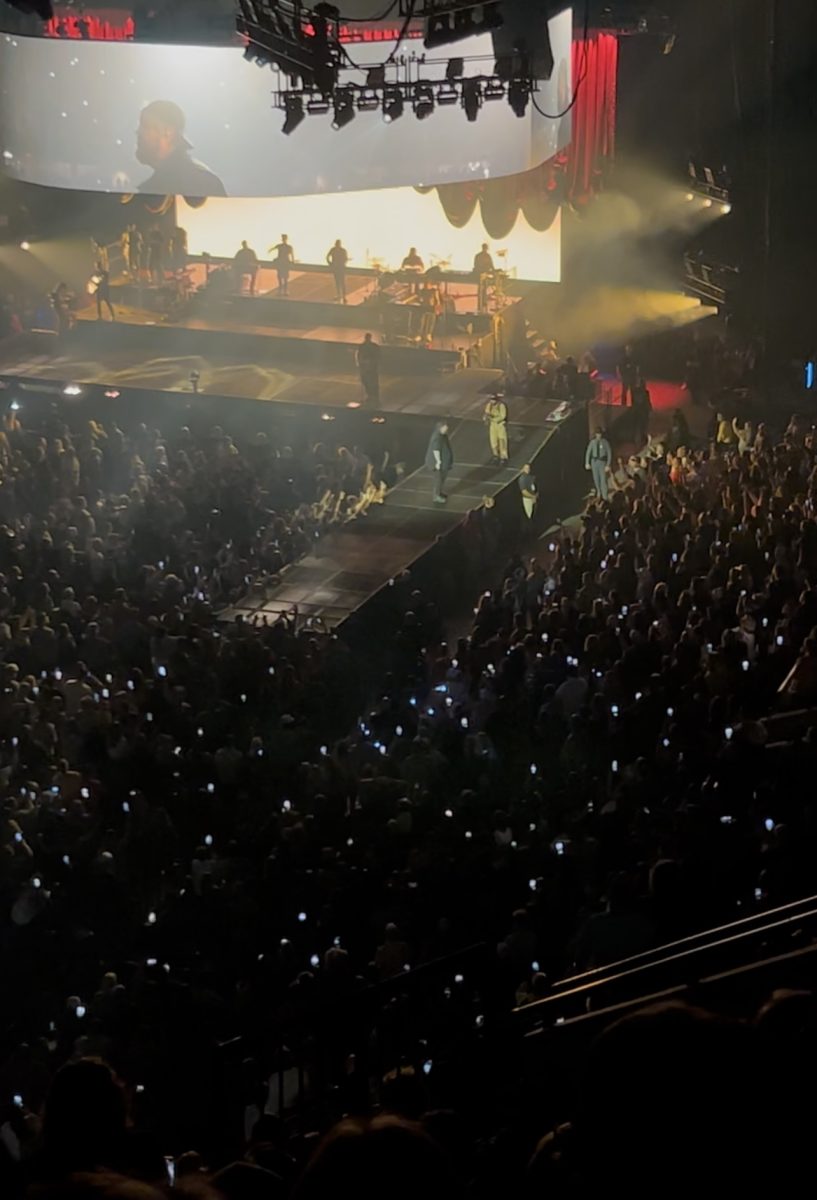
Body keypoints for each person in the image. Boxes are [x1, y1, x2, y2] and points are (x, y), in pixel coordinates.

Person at [136, 99, 227, 197]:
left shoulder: (200, 182)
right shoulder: (203, 180)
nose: (138, 132)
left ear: (168, 132)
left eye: (145, 126)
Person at [426, 420, 454, 504]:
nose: (446, 429)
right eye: (445, 428)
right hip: (437, 464)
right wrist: (438, 462)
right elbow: (436, 450)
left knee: (442, 479)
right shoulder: (437, 437)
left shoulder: (443, 435)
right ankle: (436, 496)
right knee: (438, 479)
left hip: (444, 463)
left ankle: (440, 492)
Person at [585, 428, 612, 500]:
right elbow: (588, 452)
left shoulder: (605, 442)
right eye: (597, 434)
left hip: (602, 462)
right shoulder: (592, 442)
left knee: (603, 479)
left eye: (599, 434)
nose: (598, 435)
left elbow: (609, 453)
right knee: (596, 478)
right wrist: (587, 462)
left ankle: (605, 495)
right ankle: (599, 492)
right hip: (594, 462)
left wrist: (608, 464)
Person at [483, 394, 509, 464]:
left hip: (500, 425)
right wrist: (485, 418)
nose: (492, 401)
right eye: (491, 399)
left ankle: (503, 457)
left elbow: (503, 416)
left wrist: (492, 418)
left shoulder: (501, 406)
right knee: (493, 441)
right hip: (493, 425)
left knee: (502, 441)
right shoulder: (489, 405)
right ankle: (495, 455)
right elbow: (486, 413)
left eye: (493, 400)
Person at [356, 333, 381, 406]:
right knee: (365, 381)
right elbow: (359, 356)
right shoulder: (362, 346)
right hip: (365, 367)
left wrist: (372, 363)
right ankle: (370, 395)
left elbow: (377, 356)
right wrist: (360, 363)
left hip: (371, 367)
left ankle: (373, 396)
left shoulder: (373, 347)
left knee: (372, 382)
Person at [617, 343, 640, 407]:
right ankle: (623, 405)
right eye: (627, 349)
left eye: (629, 349)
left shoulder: (634, 358)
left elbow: (637, 367)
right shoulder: (623, 358)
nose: (628, 350)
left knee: (633, 392)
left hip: (632, 376)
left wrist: (637, 376)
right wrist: (619, 375)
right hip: (626, 377)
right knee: (624, 392)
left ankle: (634, 405)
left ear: (631, 350)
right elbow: (618, 366)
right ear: (625, 350)